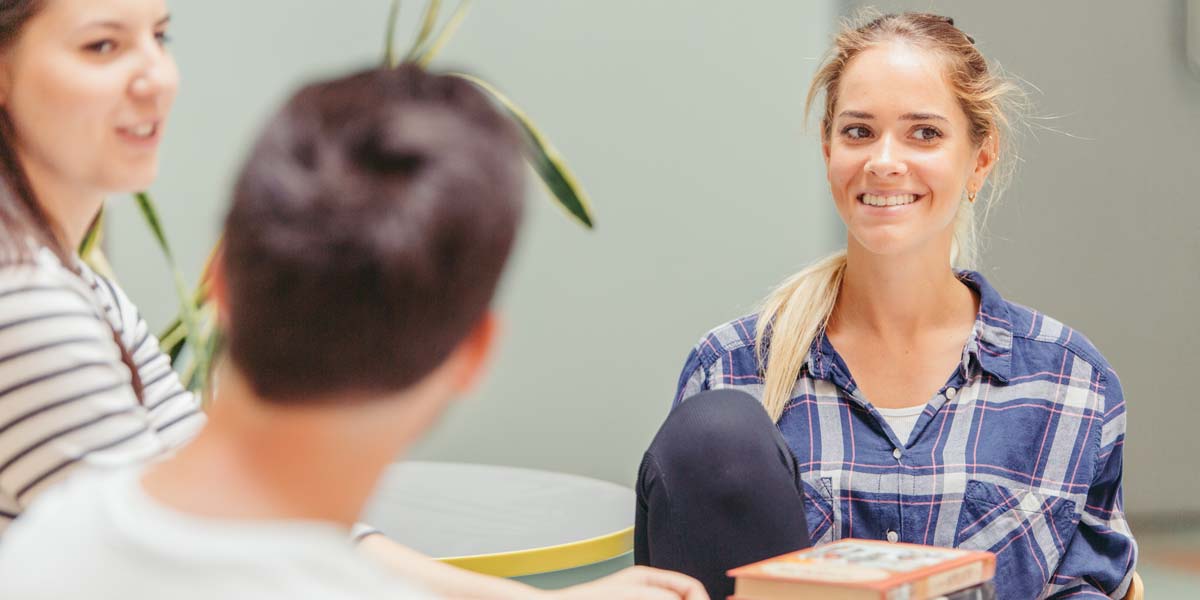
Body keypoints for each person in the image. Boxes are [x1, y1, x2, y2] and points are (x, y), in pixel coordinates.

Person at [0, 1, 706, 598]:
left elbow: (239, 502)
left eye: (161, 35)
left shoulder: (72, 284)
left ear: (222, 285)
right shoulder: (30, 308)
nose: (155, 78)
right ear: (473, 353)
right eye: (102, 46)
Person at [635, 12, 1135, 600]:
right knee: (713, 432)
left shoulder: (1071, 385)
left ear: (979, 158)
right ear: (828, 150)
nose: (884, 160)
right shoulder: (731, 369)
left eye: (924, 133)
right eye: (858, 132)